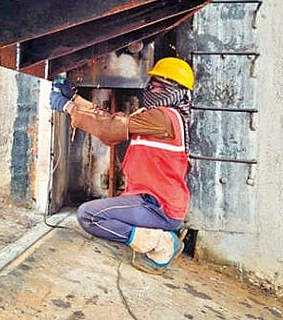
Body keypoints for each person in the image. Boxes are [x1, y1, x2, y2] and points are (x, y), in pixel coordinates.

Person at [49, 57, 194, 275]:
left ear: (173, 90)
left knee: (89, 216)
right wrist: (76, 99)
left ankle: (162, 242)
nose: (150, 89)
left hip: (158, 207)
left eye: (157, 86)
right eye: (151, 84)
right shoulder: (157, 117)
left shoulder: (163, 118)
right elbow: (112, 121)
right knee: (100, 213)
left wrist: (68, 107)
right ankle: (156, 233)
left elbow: (109, 128)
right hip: (150, 201)